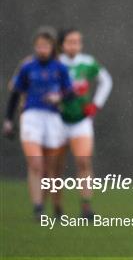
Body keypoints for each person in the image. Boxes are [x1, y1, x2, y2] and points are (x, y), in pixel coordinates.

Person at [2, 28, 73, 221]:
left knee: (52, 169)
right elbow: (15, 93)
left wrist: (59, 97)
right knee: (36, 164)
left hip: (52, 118)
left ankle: (52, 206)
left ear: (52, 48)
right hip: (31, 116)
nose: (42, 49)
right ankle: (38, 208)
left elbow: (70, 92)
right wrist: (8, 120)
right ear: (35, 46)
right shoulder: (27, 67)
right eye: (39, 45)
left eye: (46, 46)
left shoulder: (60, 68)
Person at [56, 28, 113, 219]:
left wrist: (96, 105)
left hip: (81, 120)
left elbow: (106, 80)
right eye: (70, 41)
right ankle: (57, 208)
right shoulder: (56, 64)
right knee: (56, 166)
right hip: (57, 120)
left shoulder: (87, 63)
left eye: (77, 41)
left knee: (83, 160)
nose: (74, 45)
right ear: (62, 44)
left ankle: (86, 207)